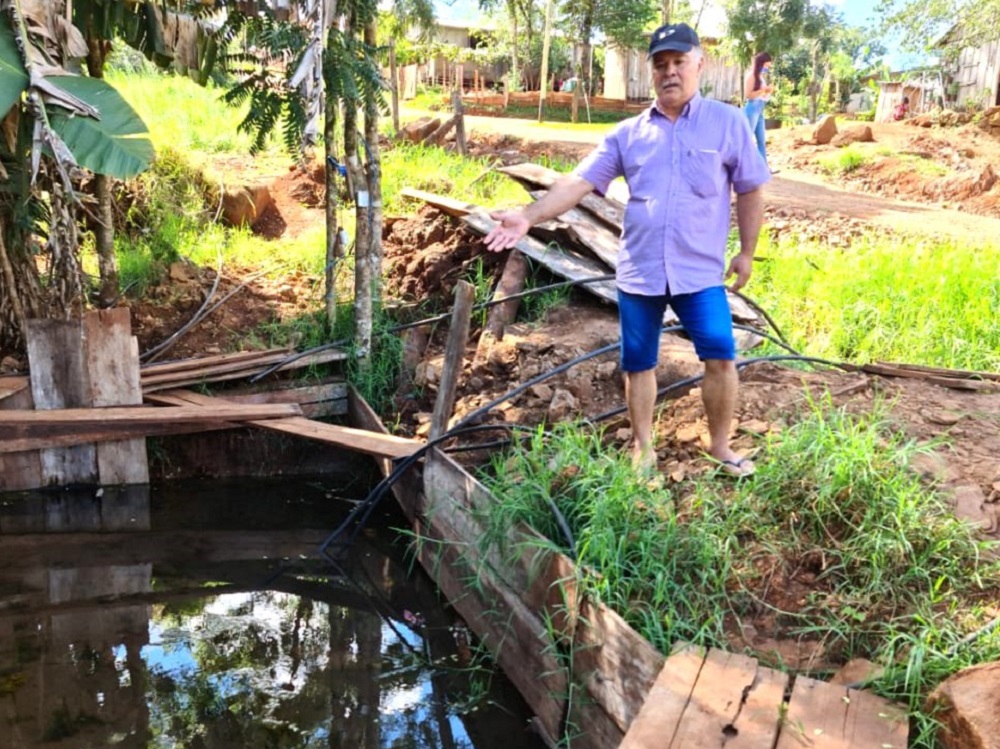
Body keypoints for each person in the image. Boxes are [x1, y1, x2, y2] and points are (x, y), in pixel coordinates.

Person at [484, 22, 770, 478]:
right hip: (640, 271)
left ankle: (720, 446)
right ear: (652, 71)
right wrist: (528, 216)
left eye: (679, 62)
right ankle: (643, 447)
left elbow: (751, 188)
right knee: (639, 362)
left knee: (720, 355)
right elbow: (579, 183)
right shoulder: (627, 134)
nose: (669, 72)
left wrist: (747, 252)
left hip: (699, 273)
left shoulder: (728, 123)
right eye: (661, 64)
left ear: (699, 64)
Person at [743, 51, 774, 172]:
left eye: (768, 67)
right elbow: (748, 95)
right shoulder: (751, 76)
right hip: (752, 110)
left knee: (761, 140)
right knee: (747, 140)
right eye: (766, 66)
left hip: (760, 109)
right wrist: (763, 90)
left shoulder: (760, 77)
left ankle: (763, 168)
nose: (767, 69)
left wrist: (768, 92)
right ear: (760, 63)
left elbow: (762, 96)